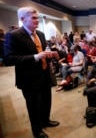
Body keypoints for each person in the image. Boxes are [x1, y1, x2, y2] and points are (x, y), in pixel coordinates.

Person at [4, 7, 59, 138]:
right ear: (23, 19)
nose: (37, 20)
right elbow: (9, 59)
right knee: (34, 107)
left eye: (37, 18)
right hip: (29, 79)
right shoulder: (14, 35)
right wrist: (36, 57)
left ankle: (45, 120)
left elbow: (43, 51)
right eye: (33, 18)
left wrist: (49, 54)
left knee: (46, 101)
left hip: (45, 75)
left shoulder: (40, 34)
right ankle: (37, 130)